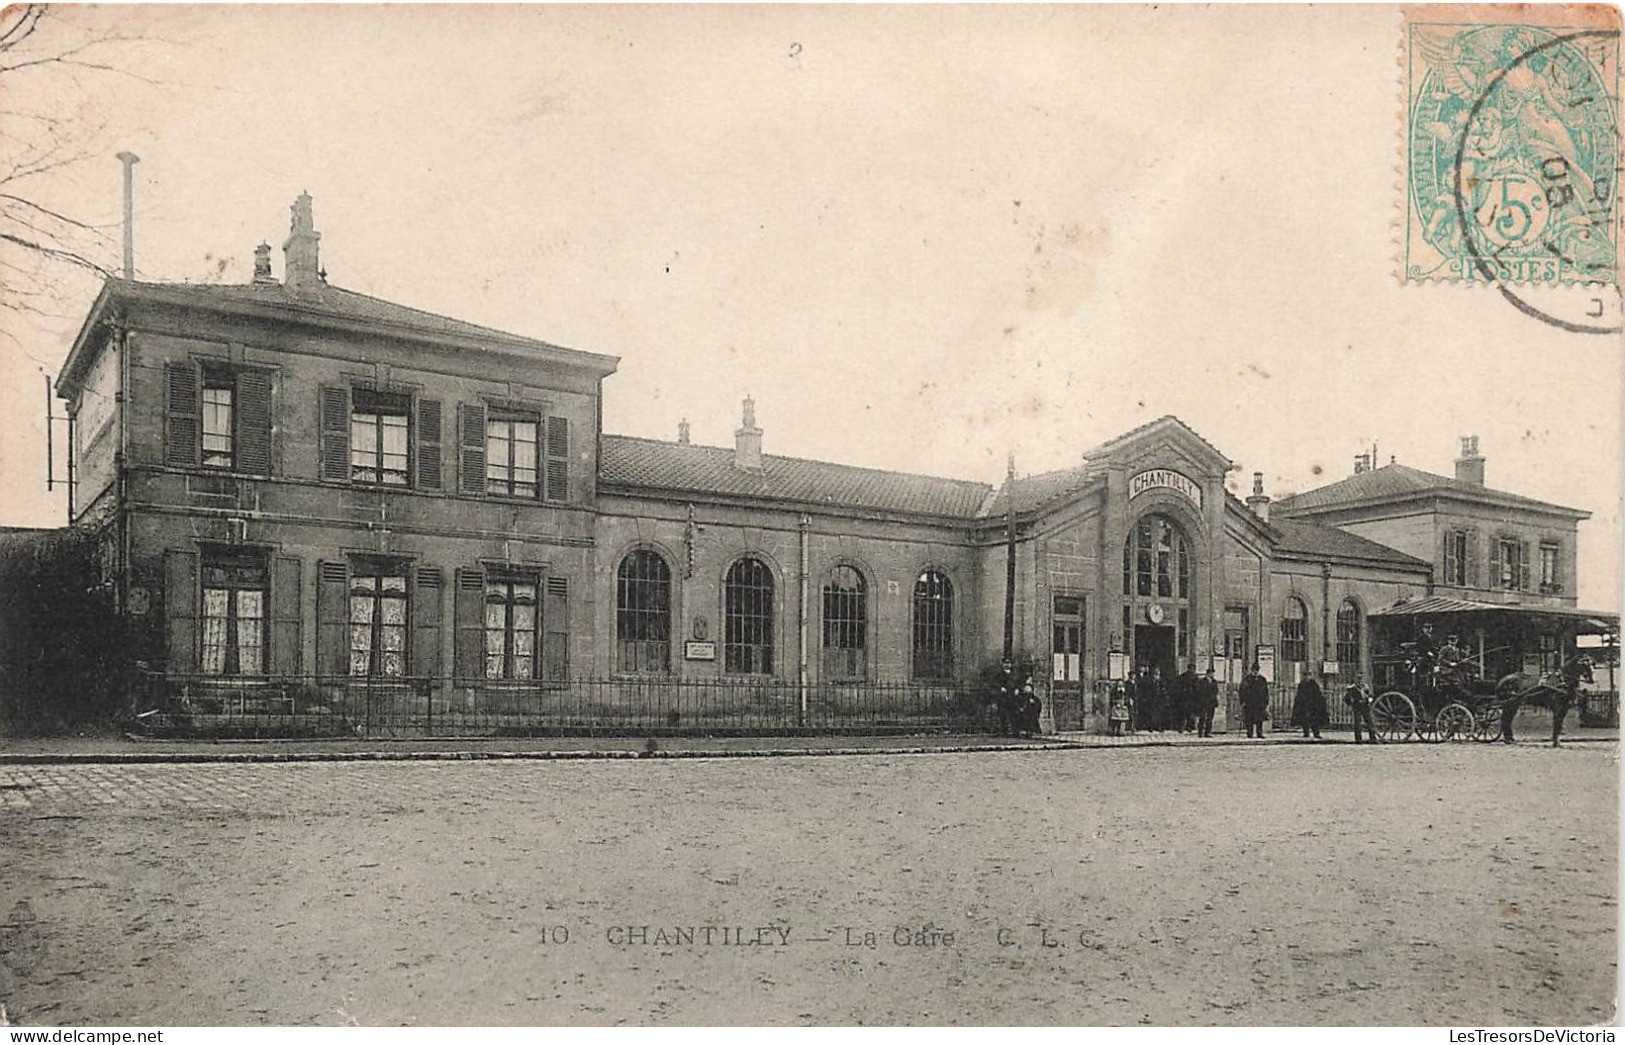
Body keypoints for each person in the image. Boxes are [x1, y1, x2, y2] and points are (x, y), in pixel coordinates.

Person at [1291, 671, 1328, 740]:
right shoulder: (1302, 684)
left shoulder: (1314, 684)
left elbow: (1317, 694)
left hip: (1313, 705)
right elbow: (1299, 695)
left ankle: (1316, 733)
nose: (1307, 677)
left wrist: (1319, 702)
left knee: (1314, 720)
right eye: (1306, 676)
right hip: (1304, 704)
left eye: (1308, 675)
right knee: (1304, 720)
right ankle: (1306, 733)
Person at [1239, 662, 1269, 739]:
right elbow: (1242, 691)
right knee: (1249, 719)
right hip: (1250, 703)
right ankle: (1250, 733)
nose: (1255, 672)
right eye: (1254, 670)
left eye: (1257, 670)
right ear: (1251, 670)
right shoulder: (1247, 679)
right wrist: (1242, 701)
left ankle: (1259, 733)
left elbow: (1265, 691)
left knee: (1259, 719)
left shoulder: (1262, 679)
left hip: (1259, 703)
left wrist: (1266, 701)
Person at [1344, 676, 1379, 743]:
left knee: (1370, 722)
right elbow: (1346, 698)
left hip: (1365, 706)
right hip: (1357, 706)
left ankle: (1373, 738)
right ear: (1355, 680)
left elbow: (1370, 695)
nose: (1360, 681)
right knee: (1358, 723)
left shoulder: (1365, 687)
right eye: (1358, 680)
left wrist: (1369, 700)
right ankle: (1358, 739)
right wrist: (1352, 703)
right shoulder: (1352, 688)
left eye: (1361, 679)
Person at [1170, 664, 1198, 732]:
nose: (1192, 670)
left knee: (1190, 714)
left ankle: (1189, 727)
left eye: (1193, 669)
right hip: (1184, 698)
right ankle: (1181, 727)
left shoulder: (1195, 678)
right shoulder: (1183, 677)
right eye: (1191, 669)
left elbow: (1197, 688)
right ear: (1188, 669)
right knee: (1182, 713)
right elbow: (1177, 686)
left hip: (1191, 698)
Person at [1196, 666, 1220, 738]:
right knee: (1202, 717)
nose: (1212, 675)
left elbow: (1216, 691)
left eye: (1213, 673)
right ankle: (1200, 732)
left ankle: (1208, 732)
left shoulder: (1214, 682)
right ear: (1207, 674)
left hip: (1211, 702)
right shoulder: (1202, 681)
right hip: (1203, 702)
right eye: (1211, 673)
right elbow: (1199, 691)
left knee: (1210, 718)